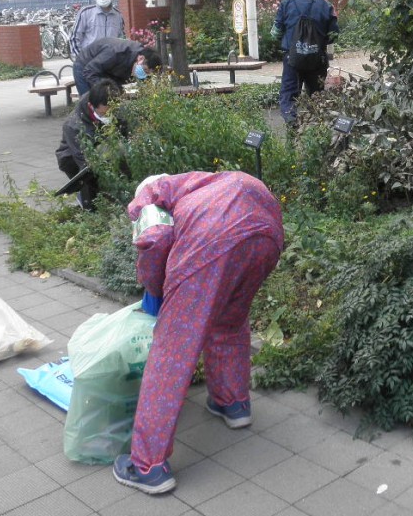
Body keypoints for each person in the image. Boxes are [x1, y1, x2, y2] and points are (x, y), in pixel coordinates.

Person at [112, 171, 285, 495]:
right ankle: (232, 403)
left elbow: (157, 237)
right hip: (267, 233)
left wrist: (154, 288)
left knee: (173, 349)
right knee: (230, 320)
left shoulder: (149, 196)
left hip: (212, 237)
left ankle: (148, 467)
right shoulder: (196, 184)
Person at [271, 0, 339, 126]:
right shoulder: (326, 6)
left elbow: (275, 33)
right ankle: (319, 127)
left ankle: (292, 123)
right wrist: (318, 42)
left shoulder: (286, 4)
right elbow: (334, 35)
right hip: (317, 60)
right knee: (318, 96)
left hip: (292, 60)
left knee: (289, 94)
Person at [55, 79, 122, 211]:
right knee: (91, 180)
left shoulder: (112, 104)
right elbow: (85, 163)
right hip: (73, 159)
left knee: (119, 152)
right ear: (92, 106)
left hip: (100, 148)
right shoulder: (73, 126)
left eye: (111, 111)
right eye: (104, 113)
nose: (109, 115)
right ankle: (87, 204)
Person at [70, 0, 126, 93]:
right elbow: (74, 38)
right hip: (86, 64)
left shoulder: (118, 16)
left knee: (108, 100)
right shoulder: (86, 12)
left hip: (108, 67)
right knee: (87, 100)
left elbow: (121, 41)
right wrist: (81, 59)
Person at [73, 37, 162, 94]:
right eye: (145, 71)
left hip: (108, 70)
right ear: (140, 59)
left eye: (148, 74)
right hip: (85, 65)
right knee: (91, 102)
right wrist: (105, 90)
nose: (145, 75)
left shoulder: (142, 62)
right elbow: (89, 71)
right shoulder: (115, 52)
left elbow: (145, 83)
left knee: (114, 99)